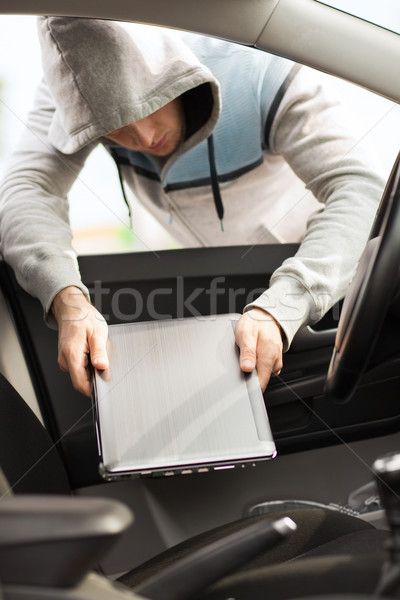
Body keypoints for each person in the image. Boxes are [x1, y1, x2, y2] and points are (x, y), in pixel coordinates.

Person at [0, 17, 385, 397]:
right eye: (116, 127)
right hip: (230, 281)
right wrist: (67, 299)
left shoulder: (259, 70)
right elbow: (26, 189)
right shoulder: (70, 92)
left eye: (148, 106)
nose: (145, 137)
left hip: (328, 279)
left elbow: (361, 188)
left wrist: (286, 302)